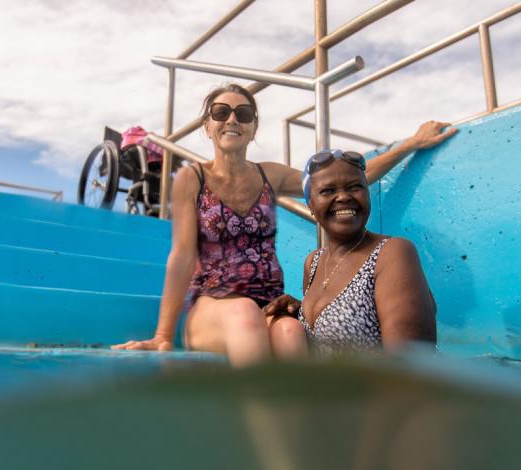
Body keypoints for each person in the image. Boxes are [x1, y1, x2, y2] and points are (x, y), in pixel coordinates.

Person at [113, 83, 455, 366]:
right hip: (212, 307)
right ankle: (267, 440)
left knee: (291, 334)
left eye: (243, 113)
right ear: (208, 126)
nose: (232, 118)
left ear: (253, 128)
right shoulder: (192, 178)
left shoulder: (269, 175)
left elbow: (336, 180)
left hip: (268, 304)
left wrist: (411, 143)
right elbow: (182, 257)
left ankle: (308, 429)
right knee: (244, 314)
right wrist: (162, 335)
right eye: (220, 112)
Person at [262, 149, 437, 354]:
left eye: (355, 187)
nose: (343, 197)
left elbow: (412, 364)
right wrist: (298, 311)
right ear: (310, 204)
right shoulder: (315, 262)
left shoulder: (392, 253)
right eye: (327, 191)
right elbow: (343, 324)